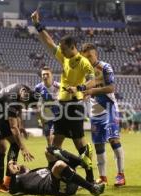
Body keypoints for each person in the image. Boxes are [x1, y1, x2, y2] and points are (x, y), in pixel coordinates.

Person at [31, 10, 95, 183]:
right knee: (54, 147)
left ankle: (89, 177)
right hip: (61, 106)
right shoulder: (65, 58)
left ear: (72, 47)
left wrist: (80, 87)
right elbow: (50, 43)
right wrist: (38, 25)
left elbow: (92, 80)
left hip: (74, 106)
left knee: (79, 144)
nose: (62, 52)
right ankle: (53, 175)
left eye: (64, 49)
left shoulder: (84, 63)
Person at [68, 43, 126, 186]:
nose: (88, 59)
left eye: (90, 56)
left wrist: (93, 91)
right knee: (99, 145)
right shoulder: (85, 71)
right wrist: (78, 90)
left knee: (114, 140)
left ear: (96, 55)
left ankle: (121, 175)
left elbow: (111, 87)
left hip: (109, 107)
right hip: (95, 112)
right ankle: (103, 177)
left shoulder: (105, 67)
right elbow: (87, 86)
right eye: (85, 57)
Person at [0, 83, 39, 192]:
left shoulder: (24, 89)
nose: (26, 107)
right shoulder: (12, 101)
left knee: (15, 143)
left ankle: (8, 181)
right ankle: (0, 185)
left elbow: (20, 109)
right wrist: (23, 148)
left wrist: (21, 126)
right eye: (27, 105)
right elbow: (13, 128)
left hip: (1, 116)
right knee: (2, 148)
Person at [8, 146, 105, 196]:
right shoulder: (19, 180)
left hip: (62, 178)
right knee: (58, 165)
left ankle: (82, 162)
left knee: (49, 151)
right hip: (59, 189)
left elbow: (24, 168)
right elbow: (12, 190)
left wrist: (13, 163)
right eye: (15, 166)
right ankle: (92, 188)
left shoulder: (31, 173)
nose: (17, 164)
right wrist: (12, 174)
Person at [35, 66, 60, 146]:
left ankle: (56, 154)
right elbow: (35, 103)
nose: (45, 76)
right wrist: (40, 118)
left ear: (51, 75)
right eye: (43, 74)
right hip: (45, 117)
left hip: (57, 116)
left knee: (54, 141)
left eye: (47, 74)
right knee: (49, 143)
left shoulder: (58, 86)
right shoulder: (38, 88)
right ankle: (54, 156)